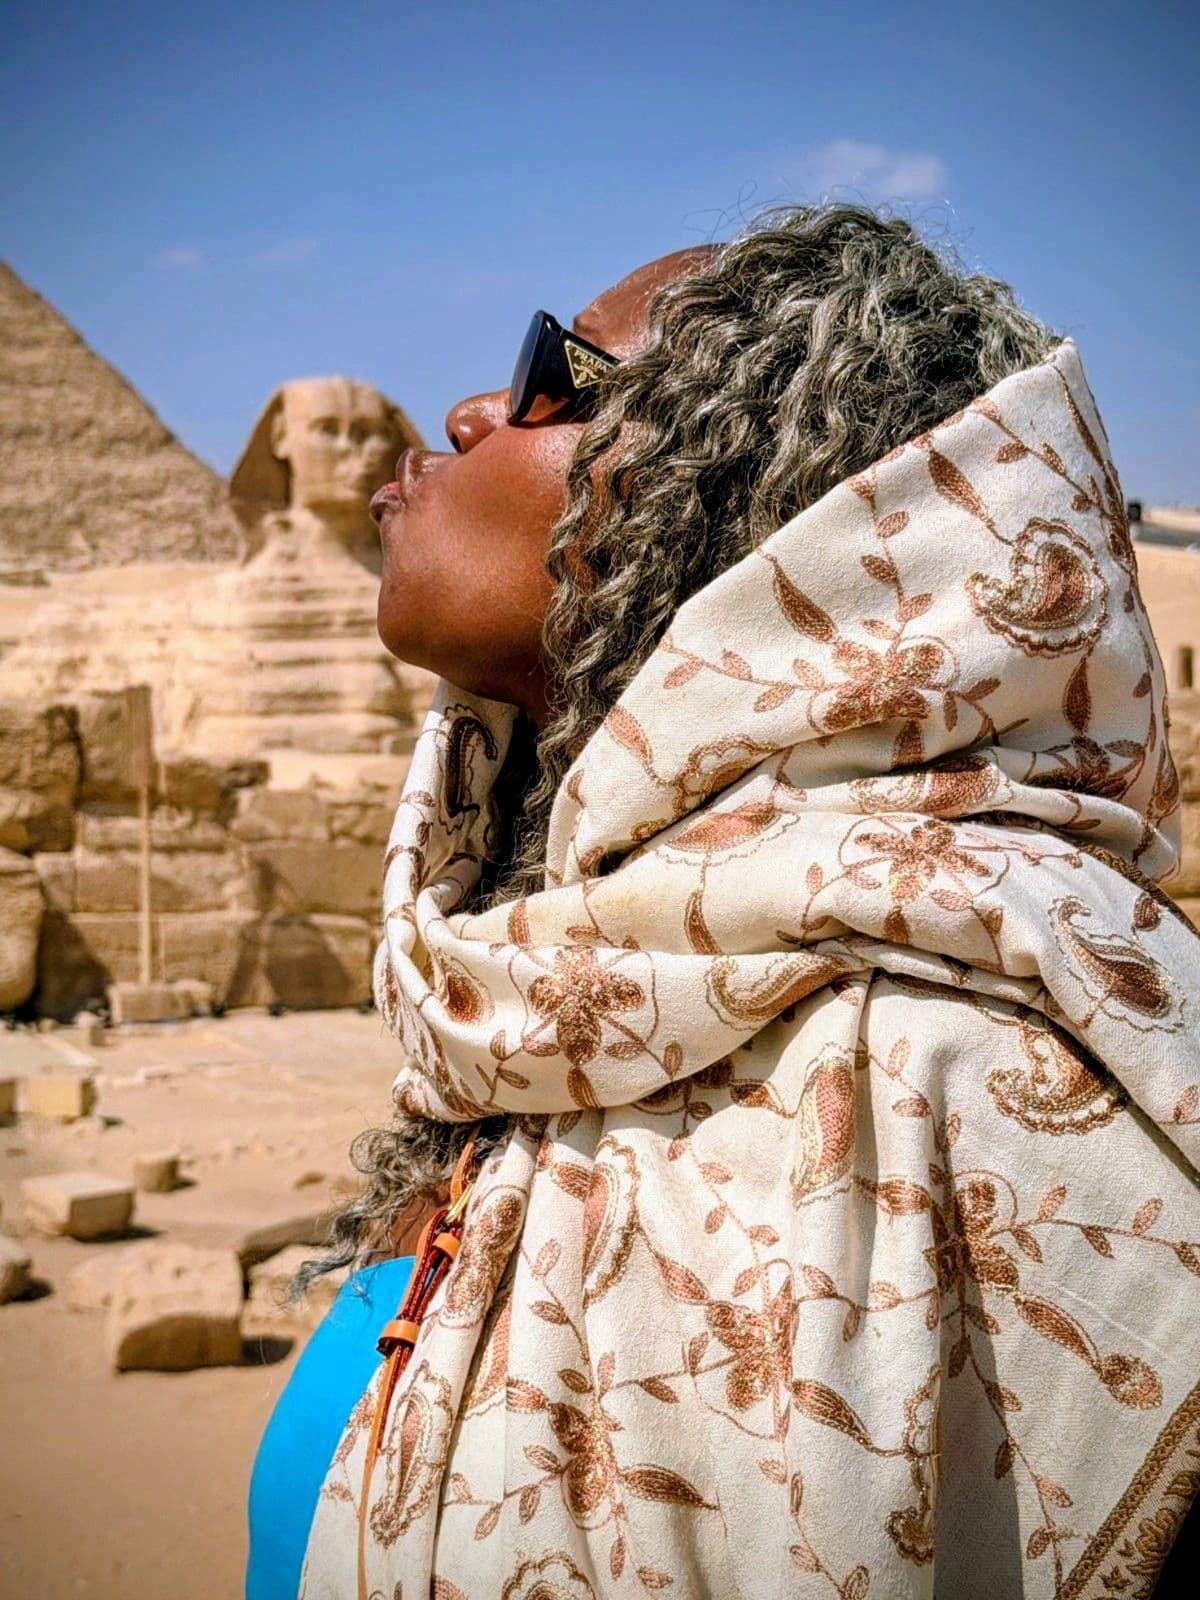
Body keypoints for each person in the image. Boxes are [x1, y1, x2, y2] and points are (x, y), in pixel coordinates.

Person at [259, 204, 1200, 1598]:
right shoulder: (528, 1018)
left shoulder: (972, 1090)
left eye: (552, 375)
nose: (462, 413)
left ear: (772, 526)